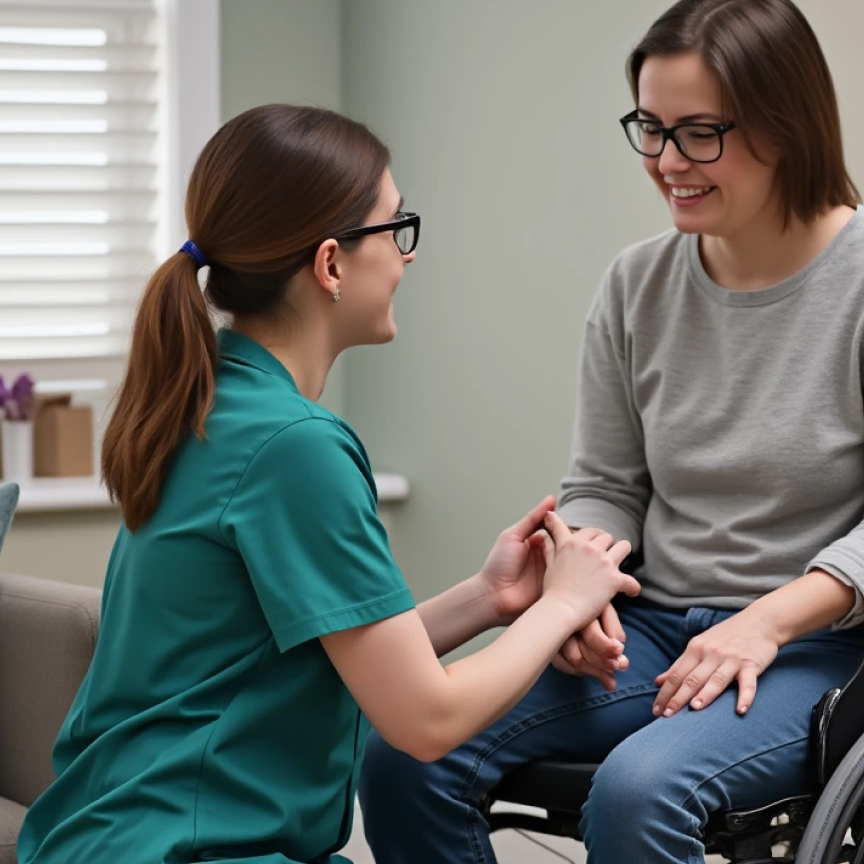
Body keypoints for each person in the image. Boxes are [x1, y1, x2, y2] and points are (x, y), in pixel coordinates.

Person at [358, 0, 864, 862]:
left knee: (639, 792)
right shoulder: (636, 285)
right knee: (405, 749)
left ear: (786, 127)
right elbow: (607, 484)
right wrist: (581, 587)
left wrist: (765, 621)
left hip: (823, 650)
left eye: (698, 133)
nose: (665, 161)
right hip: (650, 633)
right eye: (649, 128)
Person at [16, 104, 639, 864]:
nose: (407, 255)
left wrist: (490, 600)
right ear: (332, 264)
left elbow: (308, 648)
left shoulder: (210, 399)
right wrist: (566, 603)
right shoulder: (295, 449)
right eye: (394, 226)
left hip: (109, 835)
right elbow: (426, 718)